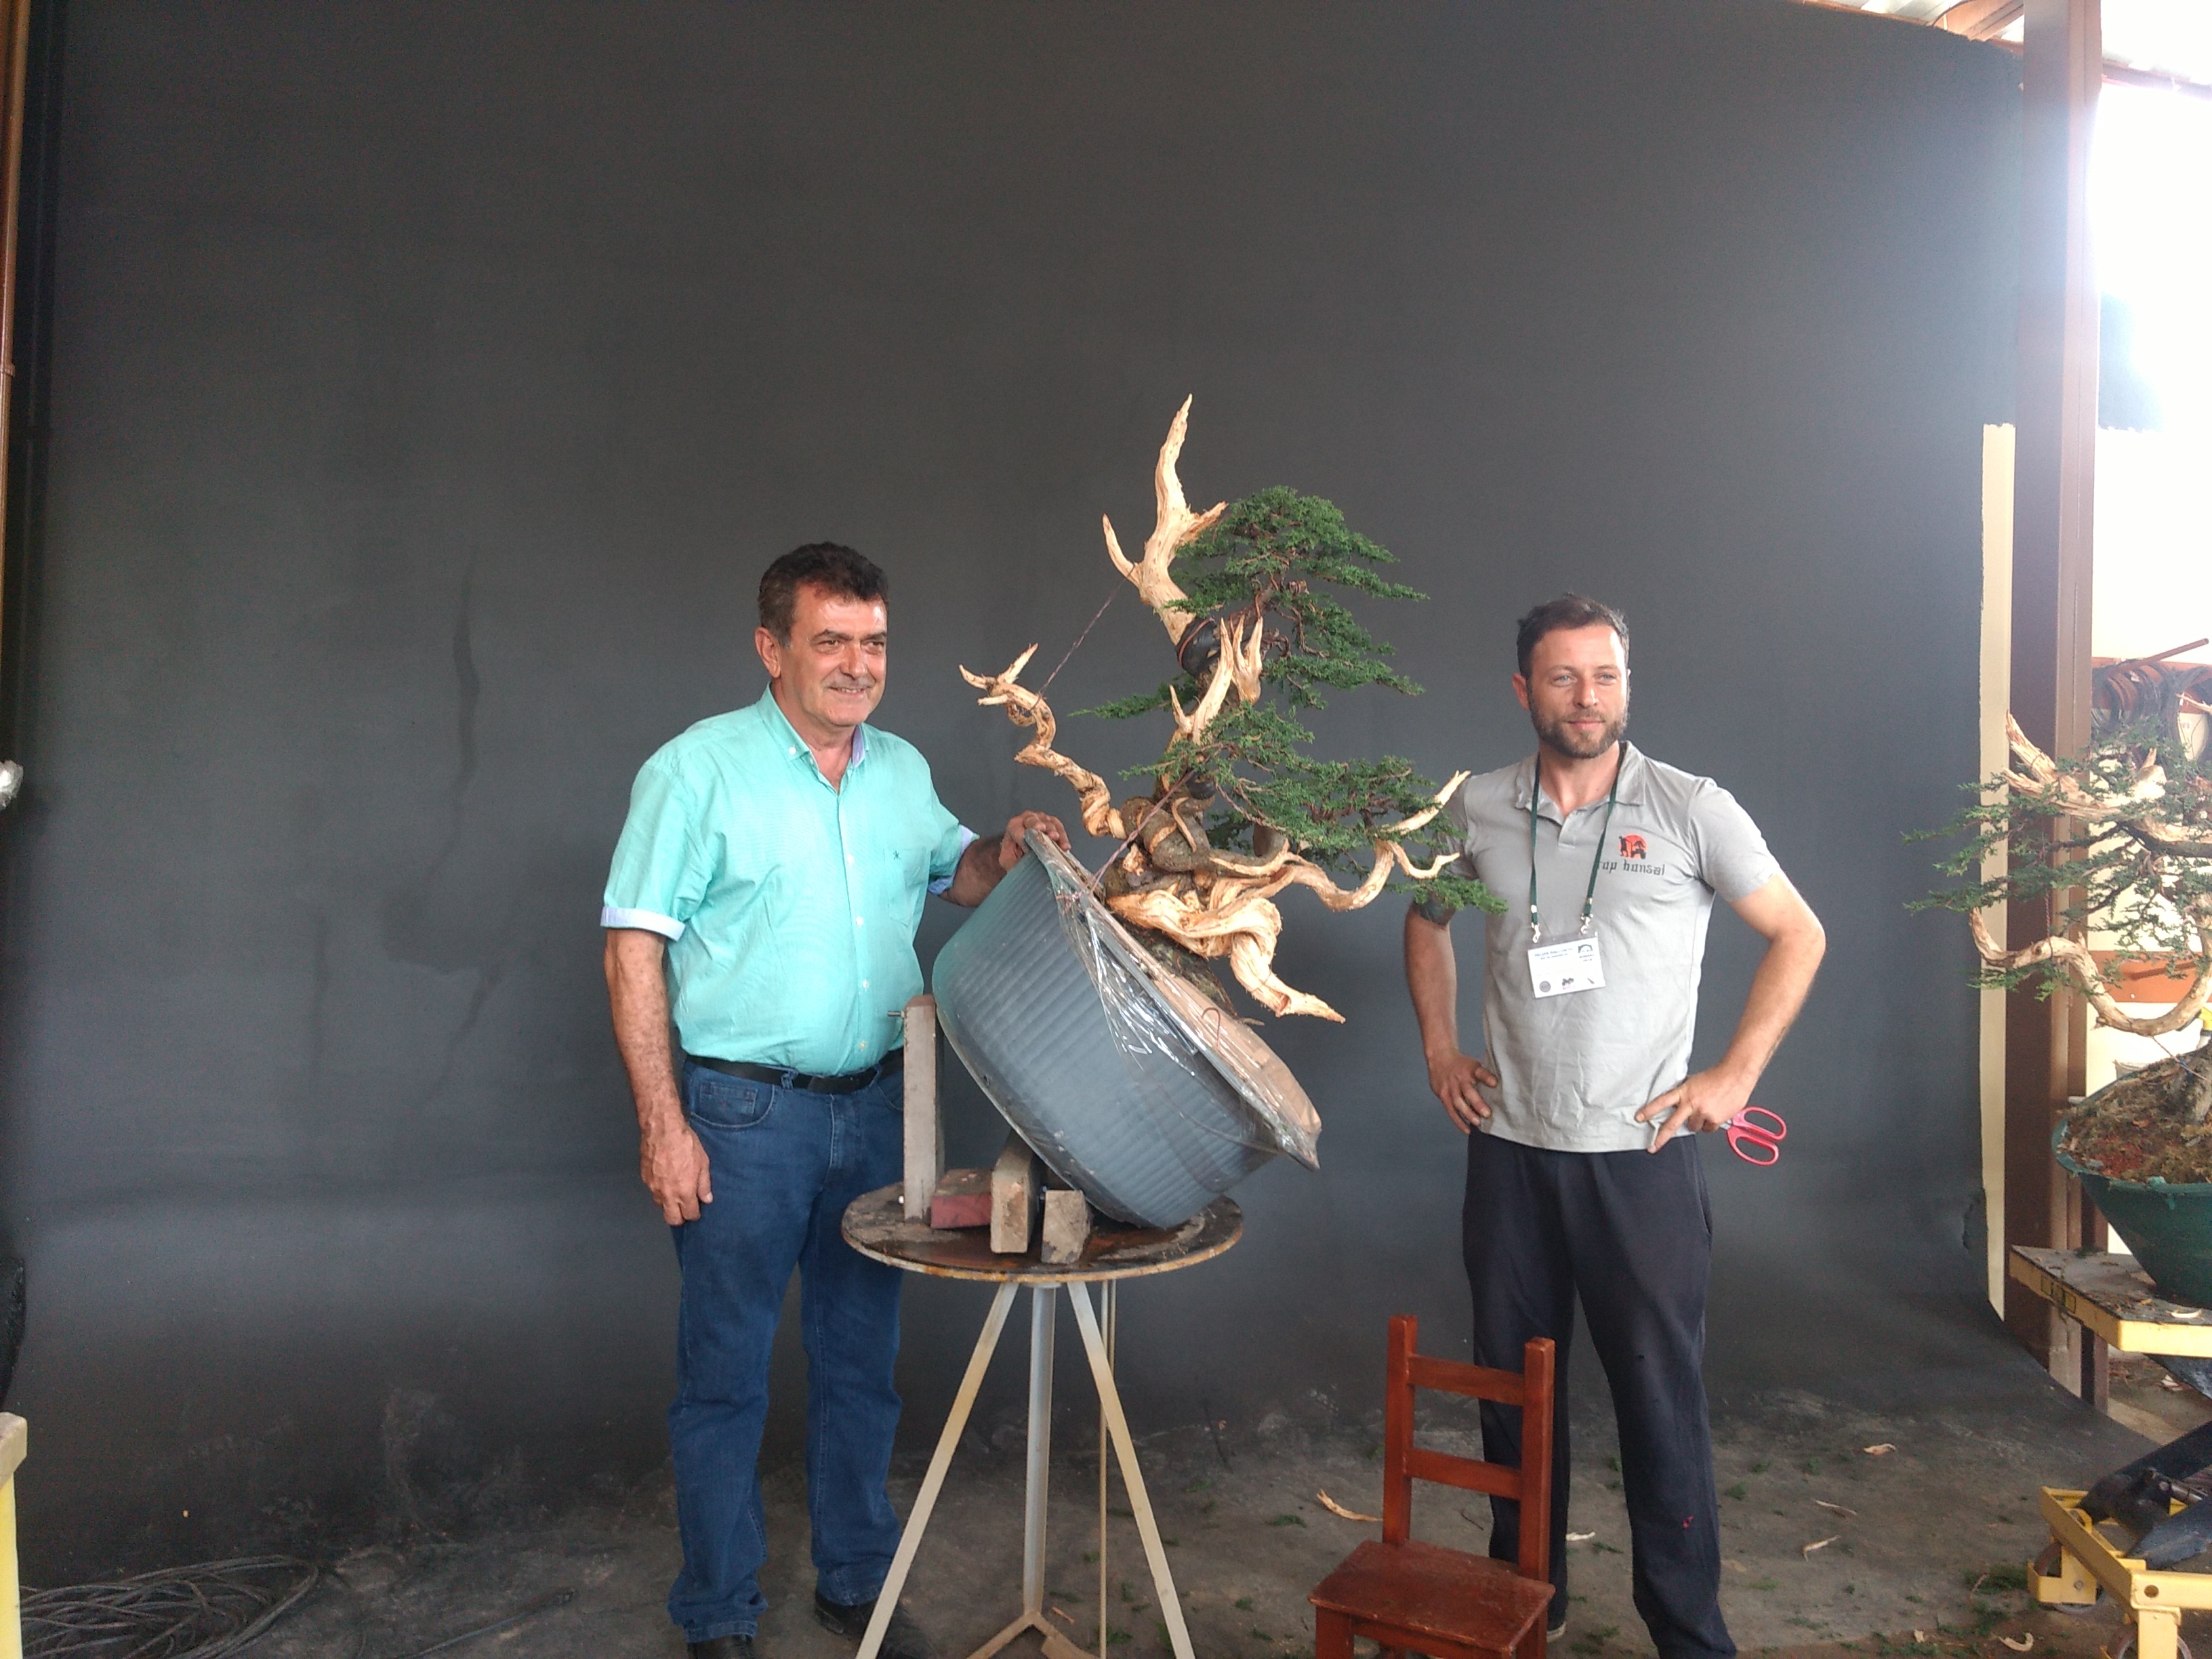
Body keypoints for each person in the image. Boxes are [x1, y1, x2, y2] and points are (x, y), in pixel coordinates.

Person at [602, 543, 1067, 1659]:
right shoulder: (694, 772)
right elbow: (632, 950)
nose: (859, 664)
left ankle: (858, 1583)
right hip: (742, 1120)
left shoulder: (900, 768)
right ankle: (719, 1613)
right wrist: (664, 1126)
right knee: (725, 1379)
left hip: (880, 1113)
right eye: (832, 642)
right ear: (772, 649)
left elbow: (956, 874)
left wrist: (1008, 847)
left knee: (863, 1367)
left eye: (875, 643)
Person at [1403, 594, 1824, 1659]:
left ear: (1626, 685)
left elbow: (1798, 933)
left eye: (1606, 676)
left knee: (1658, 1403)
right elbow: (1424, 918)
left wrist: (1735, 1074)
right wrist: (1441, 1049)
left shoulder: (1691, 808)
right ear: (1524, 690)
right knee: (1514, 1398)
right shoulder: (1475, 807)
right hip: (1510, 1151)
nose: (1587, 698)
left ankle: (1687, 1633)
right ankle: (1526, 1606)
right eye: (1563, 677)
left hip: (1641, 1159)